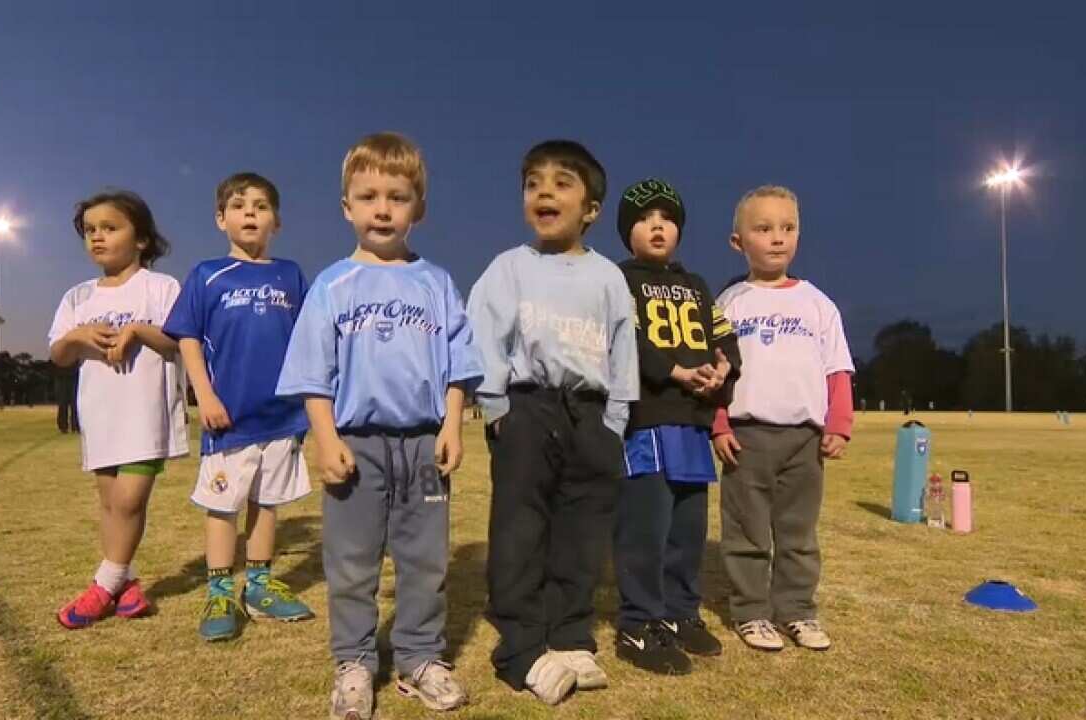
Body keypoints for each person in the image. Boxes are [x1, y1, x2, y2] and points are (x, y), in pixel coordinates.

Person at [277, 132, 482, 720]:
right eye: (368, 196)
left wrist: (453, 427)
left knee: (425, 559)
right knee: (351, 560)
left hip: (423, 444)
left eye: (397, 196)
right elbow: (313, 375)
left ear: (419, 207)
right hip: (355, 446)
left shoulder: (436, 283)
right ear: (347, 207)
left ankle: (420, 656)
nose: (383, 208)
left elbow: (458, 365)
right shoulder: (332, 285)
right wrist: (325, 439)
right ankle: (355, 661)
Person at [468, 140, 639, 705]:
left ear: (590, 208)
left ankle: (568, 633)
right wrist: (496, 410)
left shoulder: (608, 277)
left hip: (591, 415)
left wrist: (614, 421)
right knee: (520, 528)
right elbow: (485, 339)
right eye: (533, 183)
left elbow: (622, 350)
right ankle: (520, 645)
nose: (544, 191)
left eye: (562, 182)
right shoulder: (508, 268)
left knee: (582, 530)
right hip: (528, 408)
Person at [163, 172, 314, 642]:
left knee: (268, 503)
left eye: (261, 205)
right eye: (239, 205)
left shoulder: (289, 274)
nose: (250, 212)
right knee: (224, 505)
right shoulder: (207, 274)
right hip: (228, 414)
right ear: (220, 218)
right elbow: (187, 337)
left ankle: (260, 585)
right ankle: (221, 589)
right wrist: (203, 395)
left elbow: (308, 340)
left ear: (277, 221)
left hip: (282, 414)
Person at [712, 185, 854, 653]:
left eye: (788, 228)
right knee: (746, 532)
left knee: (797, 534)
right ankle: (751, 613)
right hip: (746, 437)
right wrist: (719, 424)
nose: (778, 238)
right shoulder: (730, 302)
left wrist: (838, 424)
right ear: (738, 241)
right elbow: (717, 372)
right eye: (764, 228)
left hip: (803, 440)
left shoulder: (818, 303)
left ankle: (796, 610)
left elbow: (838, 369)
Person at [612, 178, 740, 675]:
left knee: (688, 529)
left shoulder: (696, 284)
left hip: (692, 424)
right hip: (646, 423)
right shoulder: (619, 281)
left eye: (666, 217)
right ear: (628, 231)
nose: (657, 225)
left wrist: (724, 368)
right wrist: (674, 371)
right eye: (645, 219)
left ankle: (679, 613)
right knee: (646, 529)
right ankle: (637, 622)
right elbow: (625, 339)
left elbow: (723, 338)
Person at [48, 189, 190, 629]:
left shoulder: (161, 287)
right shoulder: (78, 297)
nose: (97, 237)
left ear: (142, 239)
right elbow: (58, 354)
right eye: (90, 230)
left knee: (129, 501)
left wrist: (138, 330)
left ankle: (103, 585)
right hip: (101, 413)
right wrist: (77, 337)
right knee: (110, 503)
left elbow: (177, 340)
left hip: (145, 415)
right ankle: (126, 584)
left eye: (110, 228)